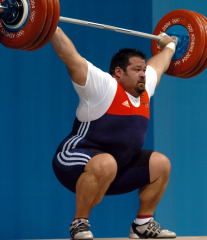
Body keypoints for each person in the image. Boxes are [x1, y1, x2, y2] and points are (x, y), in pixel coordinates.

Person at [51, 26, 177, 239]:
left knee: (161, 163)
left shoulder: (144, 89)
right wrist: (50, 25)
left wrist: (170, 46)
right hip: (73, 160)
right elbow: (70, 57)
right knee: (106, 163)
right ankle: (79, 223)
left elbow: (160, 65)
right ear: (119, 72)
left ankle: (142, 224)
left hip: (117, 167)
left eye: (144, 70)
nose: (143, 74)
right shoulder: (104, 86)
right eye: (137, 70)